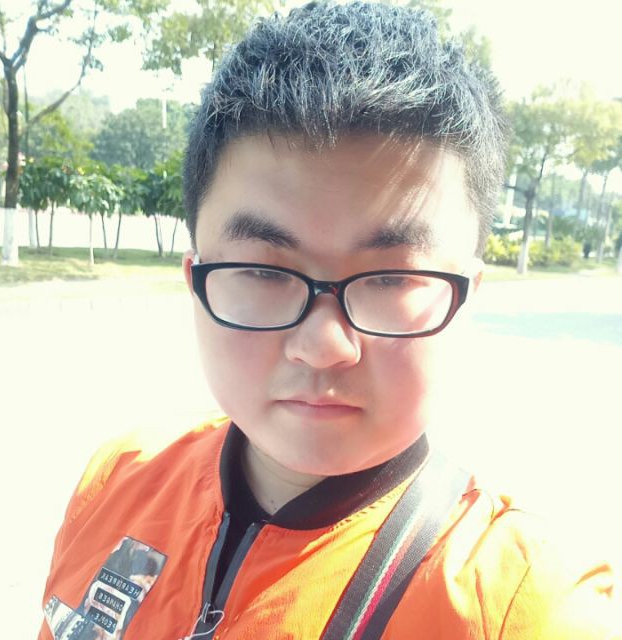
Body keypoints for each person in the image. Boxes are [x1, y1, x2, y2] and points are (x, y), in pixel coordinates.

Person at [39, 3, 619, 639]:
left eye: (391, 277)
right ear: (196, 279)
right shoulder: (120, 478)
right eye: (264, 270)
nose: (322, 345)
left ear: (464, 299)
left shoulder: (520, 606)